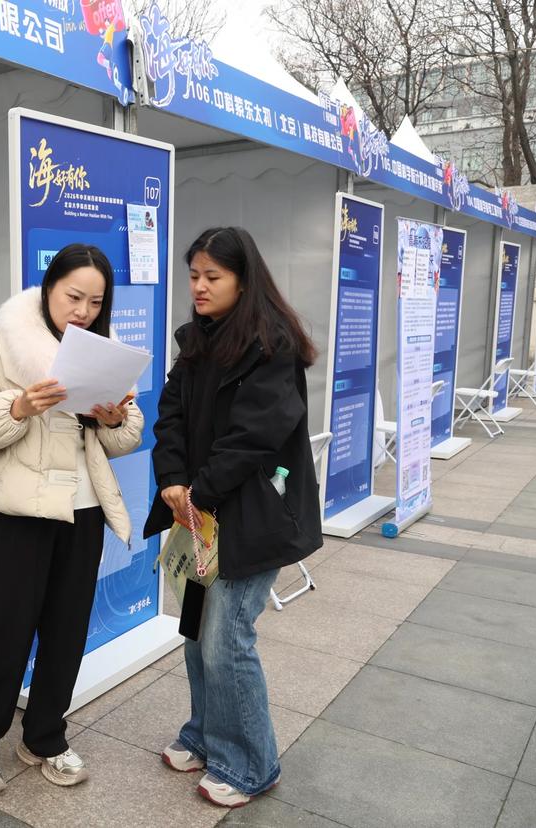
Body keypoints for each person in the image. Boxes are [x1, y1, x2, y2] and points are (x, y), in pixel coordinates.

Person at [0, 244, 144, 797]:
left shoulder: (103, 351)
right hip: (25, 512)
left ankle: (45, 737)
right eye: (74, 296)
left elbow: (126, 438)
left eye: (95, 302)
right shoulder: (6, 341)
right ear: (49, 287)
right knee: (7, 633)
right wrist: (18, 407)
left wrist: (113, 420)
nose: (83, 310)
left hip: (85, 510)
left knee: (67, 632)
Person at [145, 227, 322, 808]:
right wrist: (172, 479)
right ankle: (205, 736)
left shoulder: (273, 347)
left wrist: (196, 491)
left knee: (227, 639)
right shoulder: (196, 339)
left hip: (252, 515)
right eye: (193, 275)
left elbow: (254, 438)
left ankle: (251, 764)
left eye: (212, 277)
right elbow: (169, 415)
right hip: (200, 509)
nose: (198, 286)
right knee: (197, 631)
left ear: (243, 281)